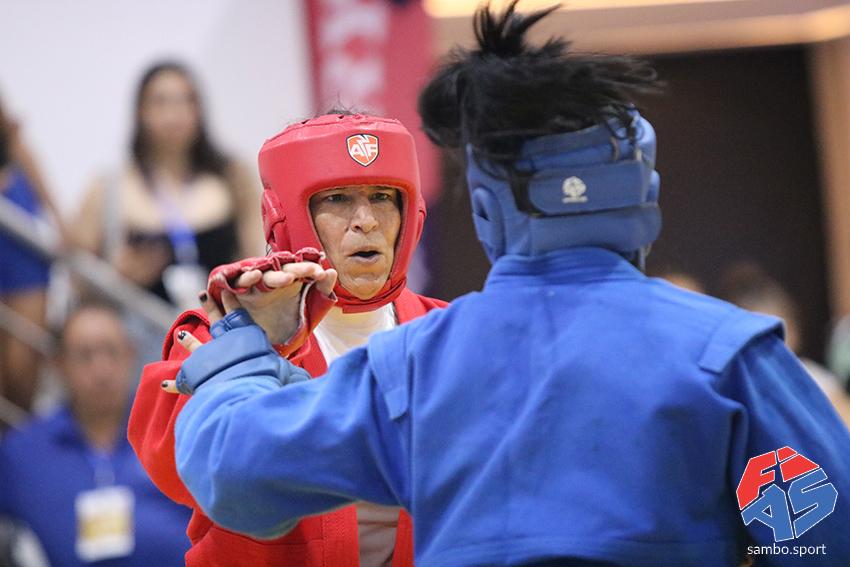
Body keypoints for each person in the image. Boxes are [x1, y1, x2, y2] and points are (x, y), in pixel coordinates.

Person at [169, 2, 850, 565]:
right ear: (645, 198)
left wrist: (245, 345)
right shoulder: (732, 356)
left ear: (486, 211)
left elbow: (232, 474)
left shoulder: (419, 367)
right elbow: (826, 542)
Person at [128, 113, 446, 566]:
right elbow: (174, 469)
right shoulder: (223, 325)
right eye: (338, 198)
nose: (366, 221)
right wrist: (257, 348)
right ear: (284, 215)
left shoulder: (446, 333)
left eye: (381, 197)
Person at [0, 302, 191, 566]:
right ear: (58, 364)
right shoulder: (21, 454)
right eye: (85, 356)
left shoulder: (175, 431)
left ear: (131, 355)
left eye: (111, 352)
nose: (102, 371)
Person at [74, 61, 263, 311]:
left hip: (224, 321)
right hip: (141, 326)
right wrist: (115, 277)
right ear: (140, 111)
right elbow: (77, 277)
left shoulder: (234, 177)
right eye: (161, 102)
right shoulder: (108, 187)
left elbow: (256, 258)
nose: (174, 113)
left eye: (185, 100)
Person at [717, 261, 850, 426]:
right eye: (760, 336)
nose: (775, 343)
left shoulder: (814, 378)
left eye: (781, 331)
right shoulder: (727, 390)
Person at [0, 94, 66, 414]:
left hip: (22, 256)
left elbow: (55, 212)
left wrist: (63, 226)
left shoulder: (13, 143)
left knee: (23, 371)